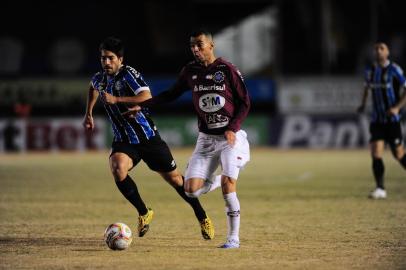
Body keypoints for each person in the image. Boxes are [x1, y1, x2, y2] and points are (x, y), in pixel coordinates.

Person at [117, 29, 251, 248]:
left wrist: (233, 127)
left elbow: (245, 102)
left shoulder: (226, 69)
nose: (195, 49)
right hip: (206, 140)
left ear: (211, 45)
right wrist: (142, 105)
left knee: (229, 185)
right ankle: (218, 180)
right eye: (192, 46)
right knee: (191, 190)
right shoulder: (190, 71)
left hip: (229, 138)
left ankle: (233, 238)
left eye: (199, 44)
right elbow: (170, 94)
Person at [82, 36, 214, 239]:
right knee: (118, 169)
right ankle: (144, 212)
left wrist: (117, 99)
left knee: (176, 180)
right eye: (102, 58)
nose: (106, 62)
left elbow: (146, 96)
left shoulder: (129, 74)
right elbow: (93, 88)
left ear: (120, 59)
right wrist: (89, 113)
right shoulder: (100, 78)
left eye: (110, 58)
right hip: (124, 140)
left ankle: (202, 215)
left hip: (148, 138)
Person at [357, 42, 406, 199]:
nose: (378, 51)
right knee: (376, 152)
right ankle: (380, 188)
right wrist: (363, 105)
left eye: (381, 48)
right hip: (377, 120)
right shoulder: (370, 71)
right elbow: (366, 88)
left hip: (392, 120)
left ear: (388, 52)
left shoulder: (395, 70)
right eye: (376, 49)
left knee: (399, 154)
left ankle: (380, 188)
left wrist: (397, 108)